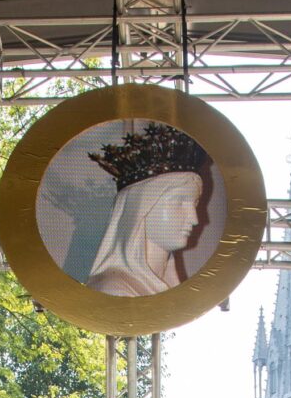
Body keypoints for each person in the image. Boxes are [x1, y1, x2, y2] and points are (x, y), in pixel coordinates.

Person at [84, 121, 212, 296]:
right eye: (178, 202)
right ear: (139, 208)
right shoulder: (114, 292)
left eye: (195, 203)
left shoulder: (171, 288)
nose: (194, 218)